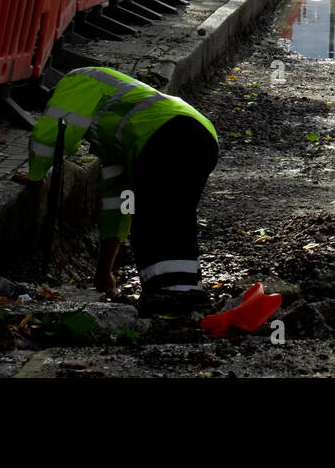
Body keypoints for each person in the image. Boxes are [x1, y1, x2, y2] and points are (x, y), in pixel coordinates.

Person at [25, 67, 219, 315]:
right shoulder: (117, 144)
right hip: (203, 137)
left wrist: (35, 177)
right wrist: (104, 270)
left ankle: (163, 298)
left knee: (150, 220)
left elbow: (48, 136)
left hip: (166, 136)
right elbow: (118, 205)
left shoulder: (76, 80)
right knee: (177, 218)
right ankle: (188, 294)